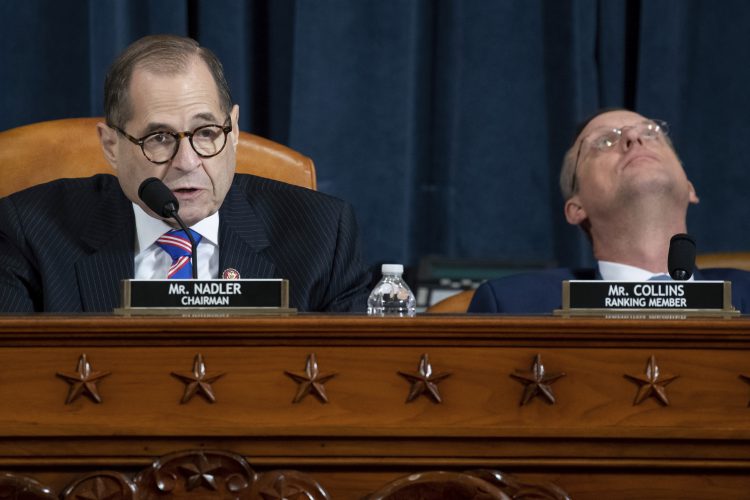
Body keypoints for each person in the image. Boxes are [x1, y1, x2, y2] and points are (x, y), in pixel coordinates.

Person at [0, 34, 370, 313]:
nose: (188, 162)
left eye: (206, 133)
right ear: (112, 146)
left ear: (235, 130)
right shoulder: (29, 232)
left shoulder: (323, 235)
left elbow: (354, 389)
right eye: (159, 138)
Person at [469, 108, 750, 313]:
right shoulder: (513, 306)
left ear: (689, 188)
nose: (632, 137)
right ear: (576, 208)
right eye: (604, 141)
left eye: (651, 133)